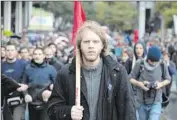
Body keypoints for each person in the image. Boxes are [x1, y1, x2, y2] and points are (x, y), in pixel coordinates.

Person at [47, 21, 136, 120]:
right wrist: (69, 112)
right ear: (80, 45)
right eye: (86, 42)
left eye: (95, 41)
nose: (91, 46)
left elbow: (128, 111)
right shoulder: (66, 73)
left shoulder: (117, 73)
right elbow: (52, 109)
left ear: (102, 45)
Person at [129, 46, 171, 120]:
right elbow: (130, 78)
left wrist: (160, 84)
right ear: (148, 58)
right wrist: (140, 84)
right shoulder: (140, 63)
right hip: (141, 101)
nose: (154, 63)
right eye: (152, 61)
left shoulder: (162, 64)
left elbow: (168, 79)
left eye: (156, 61)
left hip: (156, 101)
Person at [22, 47, 57, 120]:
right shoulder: (28, 68)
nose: (37, 56)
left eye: (39, 54)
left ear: (44, 56)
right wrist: (26, 94)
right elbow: (24, 84)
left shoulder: (51, 69)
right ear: (32, 56)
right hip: (32, 103)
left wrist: (51, 92)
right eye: (35, 54)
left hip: (46, 103)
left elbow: (57, 86)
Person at [1, 43, 28, 120]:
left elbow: (27, 80)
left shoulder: (23, 64)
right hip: (5, 100)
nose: (10, 52)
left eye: (12, 50)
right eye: (8, 50)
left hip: (20, 99)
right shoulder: (1, 65)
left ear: (16, 52)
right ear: (5, 52)